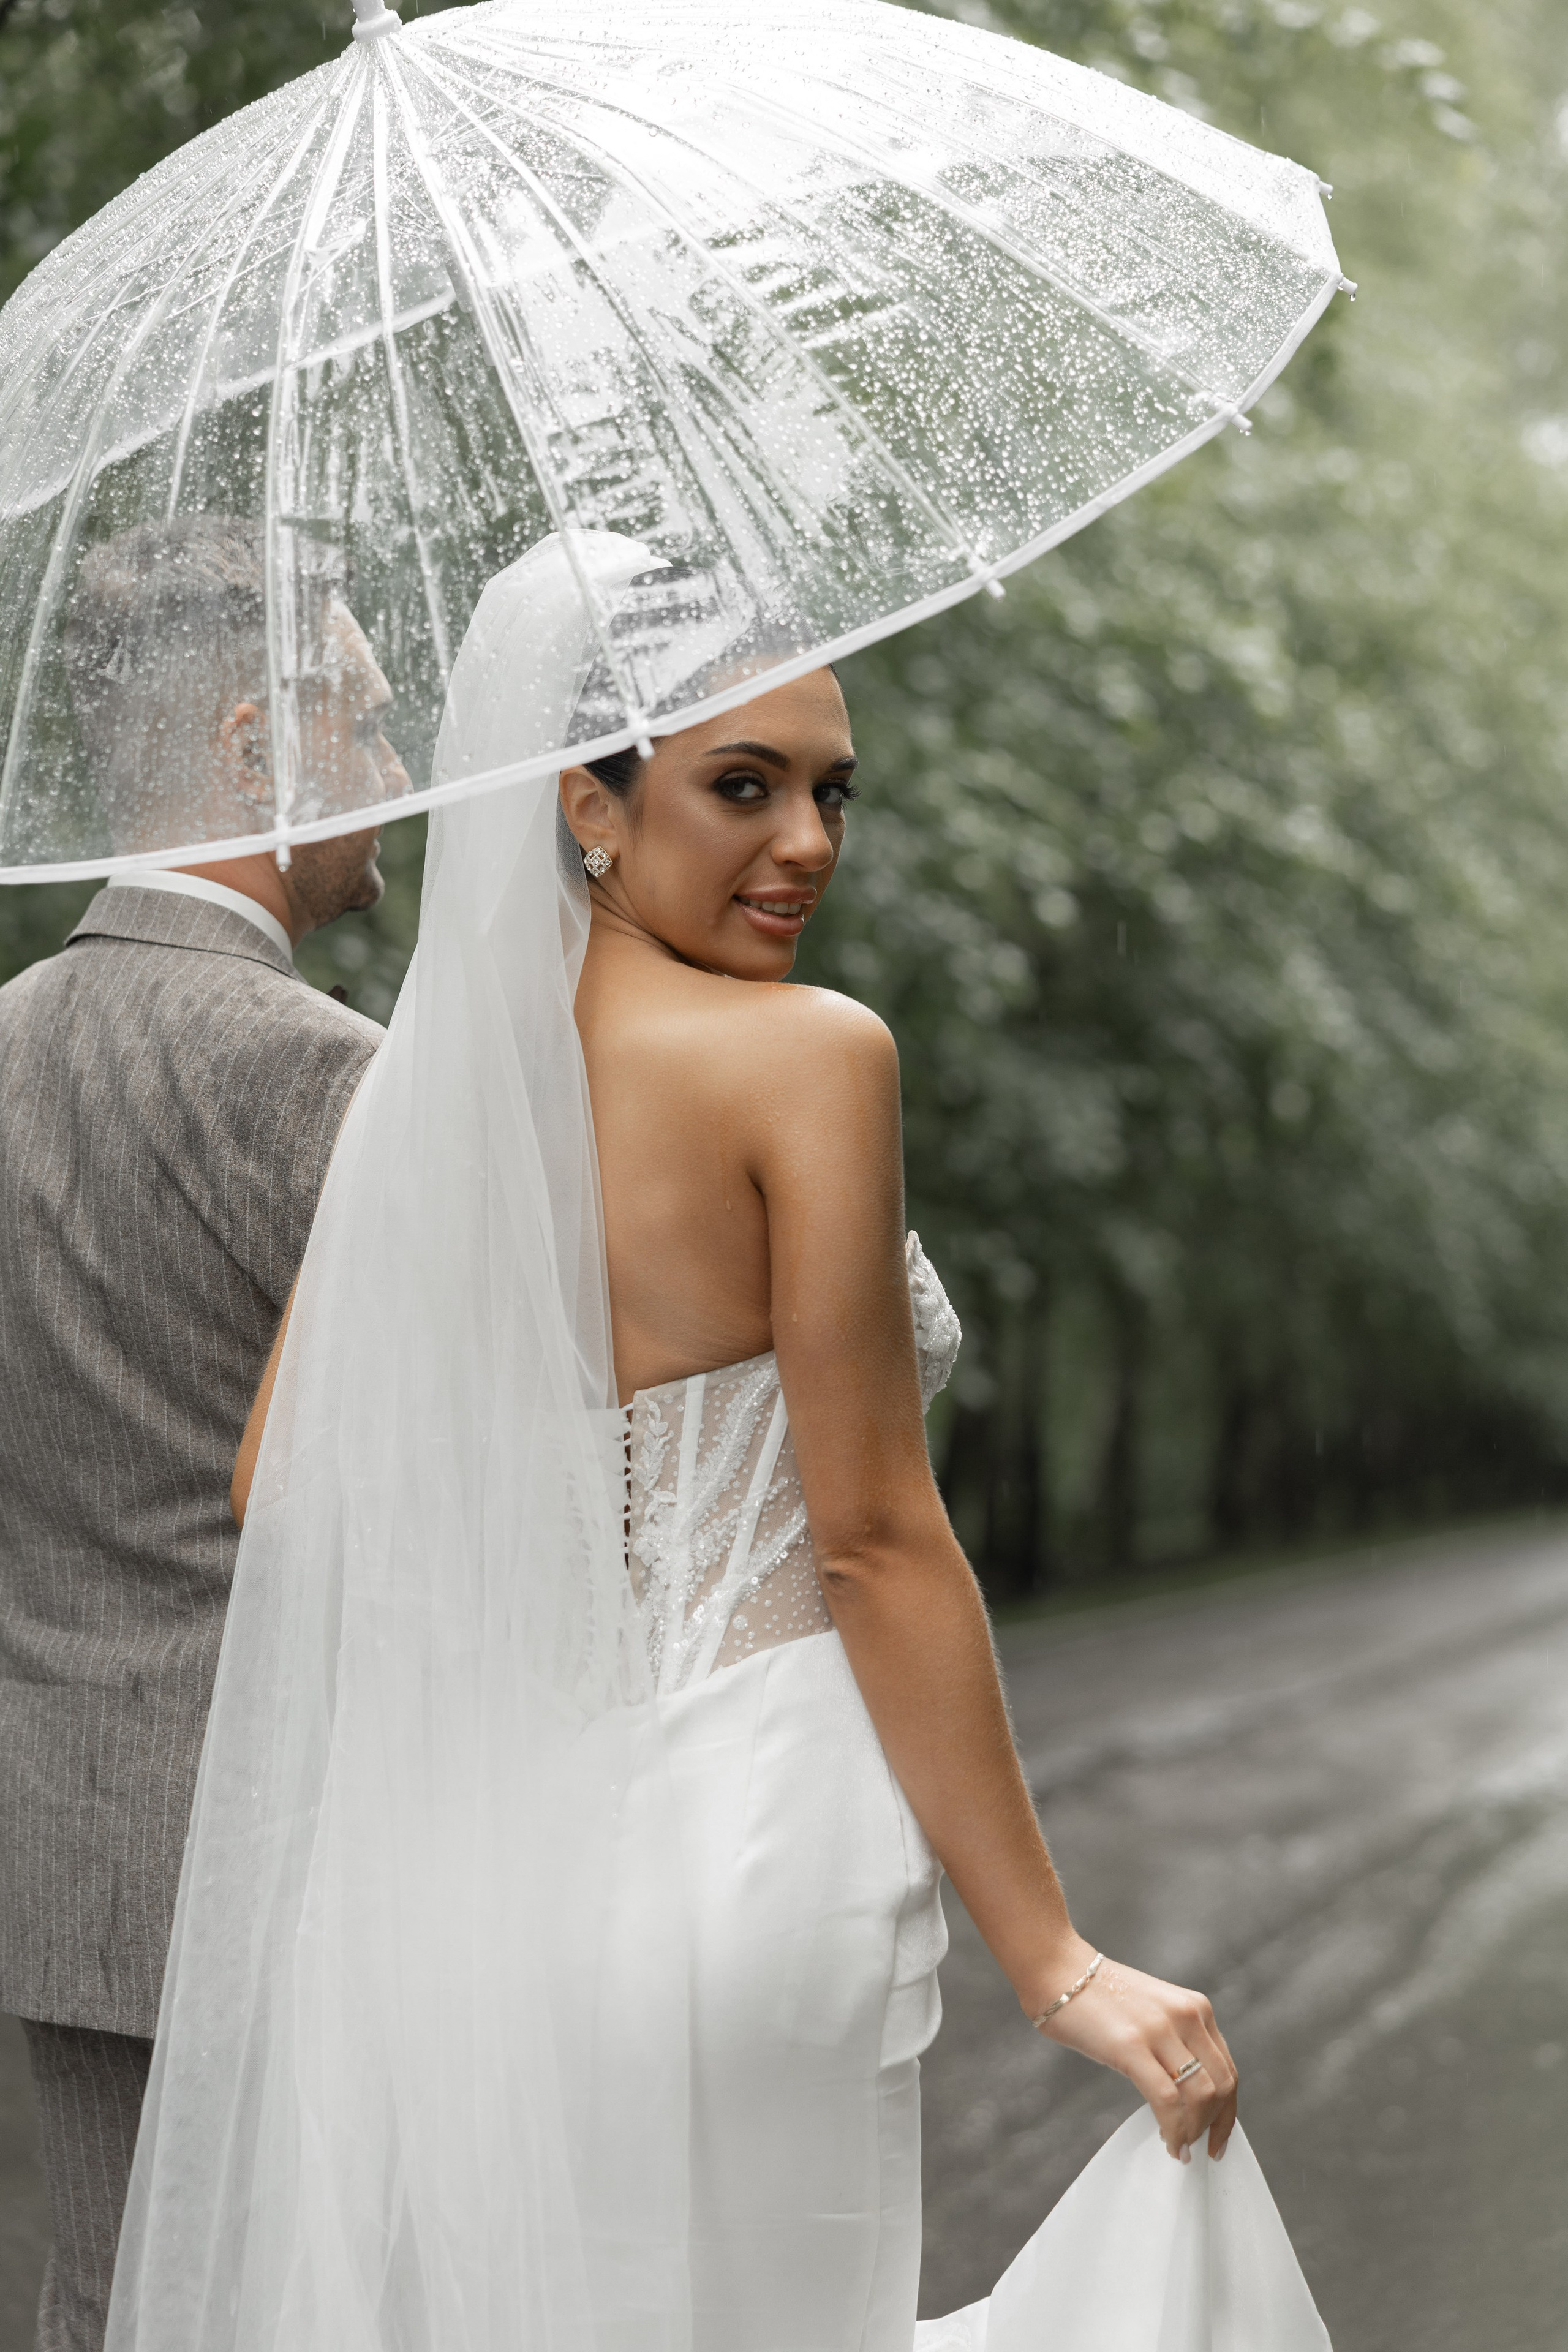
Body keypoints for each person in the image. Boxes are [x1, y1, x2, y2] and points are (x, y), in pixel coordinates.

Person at [108, 535, 1329, 2352]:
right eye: (739, 787)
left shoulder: (428, 1101)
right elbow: (876, 1543)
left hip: (486, 1884)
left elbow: (281, 1483)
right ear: (586, 806)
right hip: (753, 1852)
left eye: (833, 791)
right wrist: (1058, 1964)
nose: (810, 845)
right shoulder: (807, 1060)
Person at [0, 516, 404, 2352]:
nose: (407, 778)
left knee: (98, 2309)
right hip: (284, 1846)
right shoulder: (313, 1067)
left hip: (48, 1844)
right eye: (380, 730)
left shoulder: (7, 1038)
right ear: (263, 745)